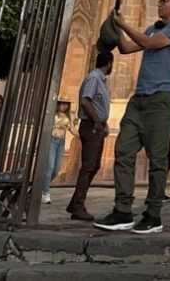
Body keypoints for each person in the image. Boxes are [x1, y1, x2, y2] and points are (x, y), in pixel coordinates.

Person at [94, 0, 170, 234]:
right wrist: (112, 26)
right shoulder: (151, 29)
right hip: (139, 98)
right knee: (123, 149)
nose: (159, 4)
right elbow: (126, 48)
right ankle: (123, 210)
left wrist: (123, 24)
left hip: (162, 98)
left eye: (164, 1)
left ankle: (153, 214)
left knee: (157, 159)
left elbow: (149, 44)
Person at [65, 52, 114, 221]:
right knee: (88, 166)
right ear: (108, 63)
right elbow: (86, 100)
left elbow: (98, 104)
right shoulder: (94, 78)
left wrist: (103, 122)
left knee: (94, 165)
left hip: (97, 125)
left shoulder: (101, 80)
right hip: (91, 126)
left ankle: (75, 202)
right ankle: (78, 206)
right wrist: (97, 121)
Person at [41, 99, 78, 204]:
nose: (64, 106)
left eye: (66, 104)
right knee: (50, 167)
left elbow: (72, 129)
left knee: (56, 170)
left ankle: (41, 186)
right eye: (62, 103)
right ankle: (45, 192)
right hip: (52, 139)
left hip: (61, 141)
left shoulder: (67, 116)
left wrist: (83, 138)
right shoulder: (52, 113)